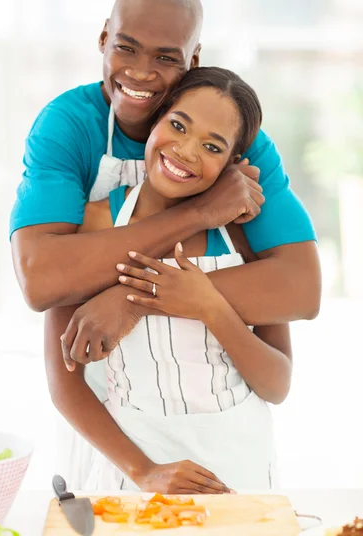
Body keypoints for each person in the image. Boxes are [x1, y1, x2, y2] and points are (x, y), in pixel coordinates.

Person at [45, 66, 292, 493]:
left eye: (212, 146)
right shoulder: (95, 225)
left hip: (237, 471)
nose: (186, 151)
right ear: (154, 121)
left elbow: (276, 384)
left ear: (232, 162)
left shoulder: (241, 234)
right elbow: (64, 381)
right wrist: (143, 471)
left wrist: (210, 305)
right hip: (134, 466)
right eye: (178, 125)